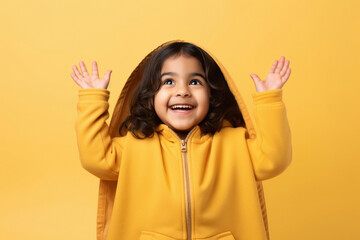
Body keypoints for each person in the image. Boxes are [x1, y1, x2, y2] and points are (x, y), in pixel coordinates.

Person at [71, 40, 292, 240]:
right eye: (168, 82)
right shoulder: (133, 145)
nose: (182, 91)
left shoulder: (234, 142)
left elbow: (273, 158)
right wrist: (93, 100)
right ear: (150, 96)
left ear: (211, 93)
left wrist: (269, 101)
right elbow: (95, 157)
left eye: (195, 82)